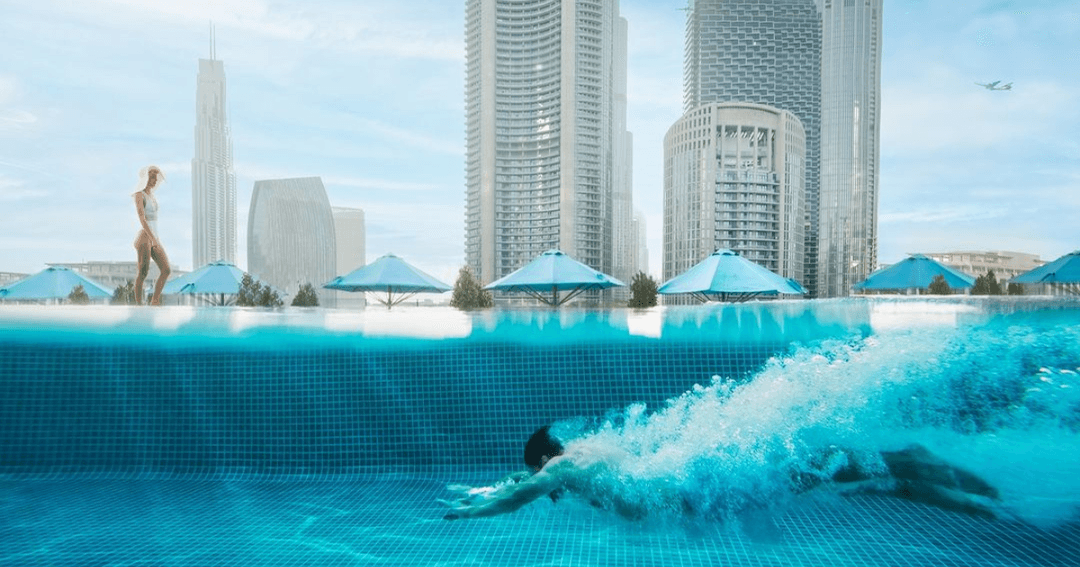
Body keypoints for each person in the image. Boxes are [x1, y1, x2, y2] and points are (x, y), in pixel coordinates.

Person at [440, 426, 1002, 521]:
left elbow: (521, 495)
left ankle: (908, 457)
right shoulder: (581, 455)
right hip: (700, 482)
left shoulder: (561, 469)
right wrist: (490, 488)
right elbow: (524, 487)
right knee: (854, 481)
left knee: (831, 473)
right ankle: (912, 465)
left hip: (703, 489)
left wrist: (473, 509)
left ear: (543, 459)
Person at [132, 165, 171, 305]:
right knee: (143, 272)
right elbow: (142, 219)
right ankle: (138, 304)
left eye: (156, 178)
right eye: (152, 177)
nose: (154, 180)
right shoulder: (139, 195)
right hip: (145, 237)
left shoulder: (152, 196)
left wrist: (156, 239)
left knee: (166, 269)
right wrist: (152, 238)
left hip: (155, 237)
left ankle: (154, 300)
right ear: (146, 178)